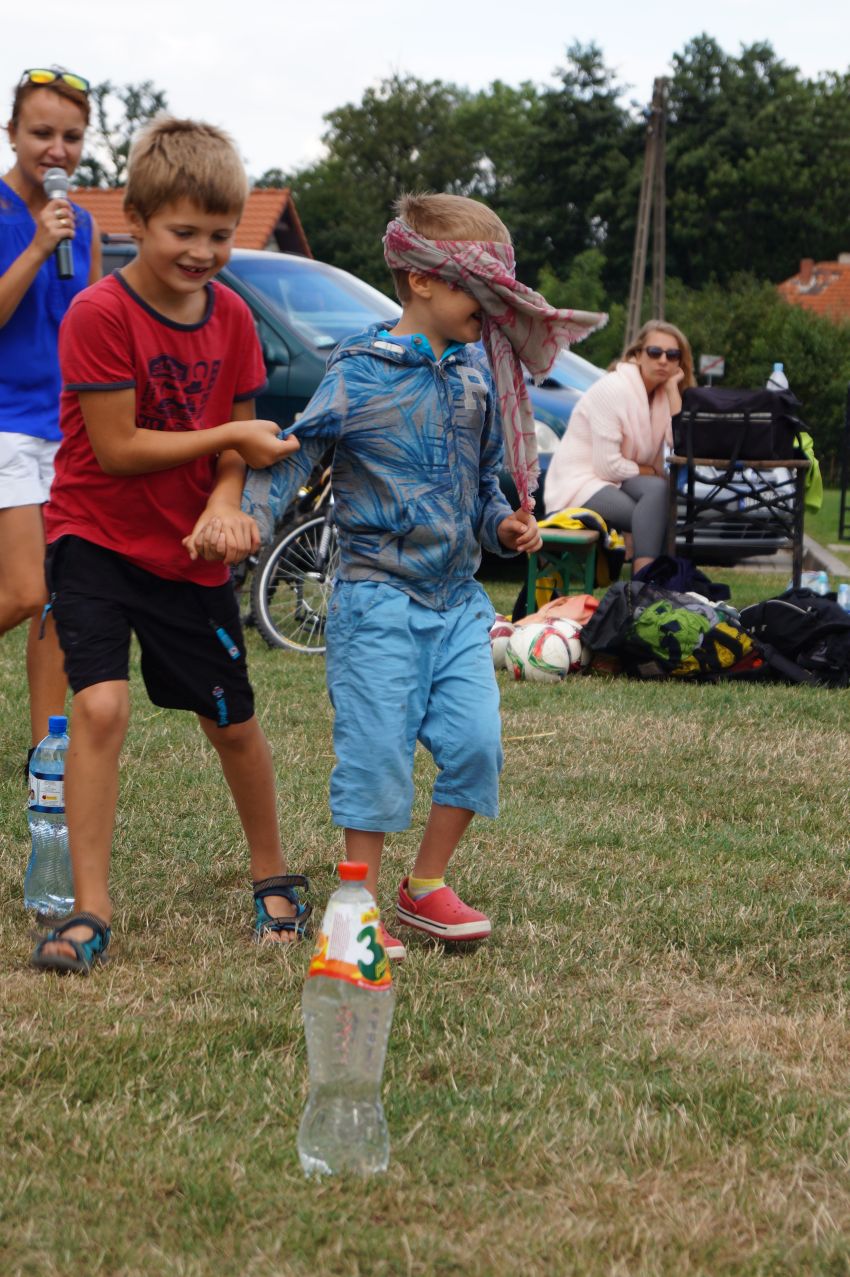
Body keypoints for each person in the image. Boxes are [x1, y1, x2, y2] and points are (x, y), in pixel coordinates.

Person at [275, 192, 605, 960]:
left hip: (458, 603)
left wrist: (502, 524)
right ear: (421, 280)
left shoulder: (476, 377)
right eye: (477, 289)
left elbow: (484, 487)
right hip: (376, 600)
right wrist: (240, 517)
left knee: (478, 744)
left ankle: (424, 885)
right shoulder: (358, 374)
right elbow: (296, 454)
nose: (493, 307)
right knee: (378, 754)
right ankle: (356, 903)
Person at [30, 117, 307, 974]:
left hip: (190, 554)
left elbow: (236, 453)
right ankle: (90, 908)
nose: (203, 252)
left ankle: (272, 876)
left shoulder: (234, 317)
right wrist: (231, 437)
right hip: (94, 537)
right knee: (100, 708)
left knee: (232, 721)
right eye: (184, 232)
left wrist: (225, 506)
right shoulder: (99, 312)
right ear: (138, 220)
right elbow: (117, 448)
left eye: (220, 236)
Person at [0, 67, 101, 768]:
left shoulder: (83, 223)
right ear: (11, 134)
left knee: (56, 599)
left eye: (71, 136)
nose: (57, 150)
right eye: (42, 133)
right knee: (24, 589)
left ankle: (47, 751)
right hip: (5, 422)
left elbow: (89, 325)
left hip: (63, 429)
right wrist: (37, 245)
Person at [544, 320, 695, 572]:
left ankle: (647, 578)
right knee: (653, 513)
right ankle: (645, 579)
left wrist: (672, 391)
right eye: (654, 352)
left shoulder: (661, 396)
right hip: (581, 482)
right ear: (638, 354)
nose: (663, 360)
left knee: (659, 493)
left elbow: (678, 443)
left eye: (672, 355)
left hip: (621, 480)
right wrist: (649, 470)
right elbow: (607, 467)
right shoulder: (613, 389)